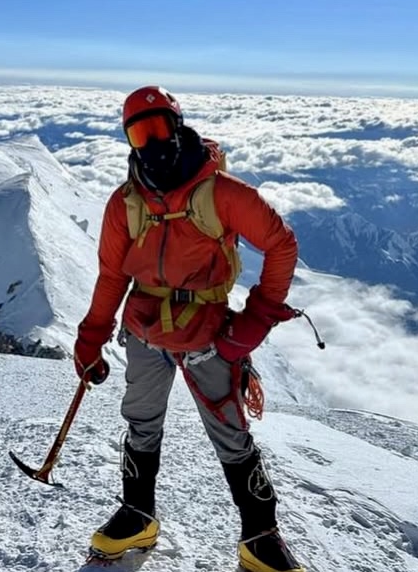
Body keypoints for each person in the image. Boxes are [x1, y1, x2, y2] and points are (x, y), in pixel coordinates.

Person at [73, 86, 305, 572]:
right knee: (141, 423)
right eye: (141, 132)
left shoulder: (221, 193)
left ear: (178, 127)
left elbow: (281, 245)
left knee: (231, 434)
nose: (154, 141)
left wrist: (259, 315)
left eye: (160, 127)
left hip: (205, 333)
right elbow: (113, 275)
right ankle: (140, 514)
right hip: (145, 331)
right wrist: (91, 337)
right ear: (129, 141)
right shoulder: (126, 203)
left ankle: (260, 534)